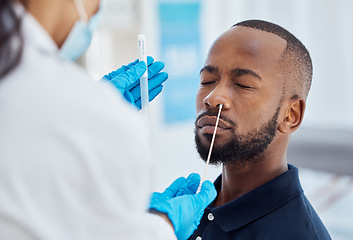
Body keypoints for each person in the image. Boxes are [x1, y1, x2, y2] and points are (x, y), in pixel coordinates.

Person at [0, 0, 216, 240]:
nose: (96, 9)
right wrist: (162, 224)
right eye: (207, 81)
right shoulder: (90, 113)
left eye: (243, 84)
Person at [188, 20, 332, 239]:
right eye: (207, 81)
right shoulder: (189, 212)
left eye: (243, 84)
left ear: (290, 115)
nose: (213, 97)